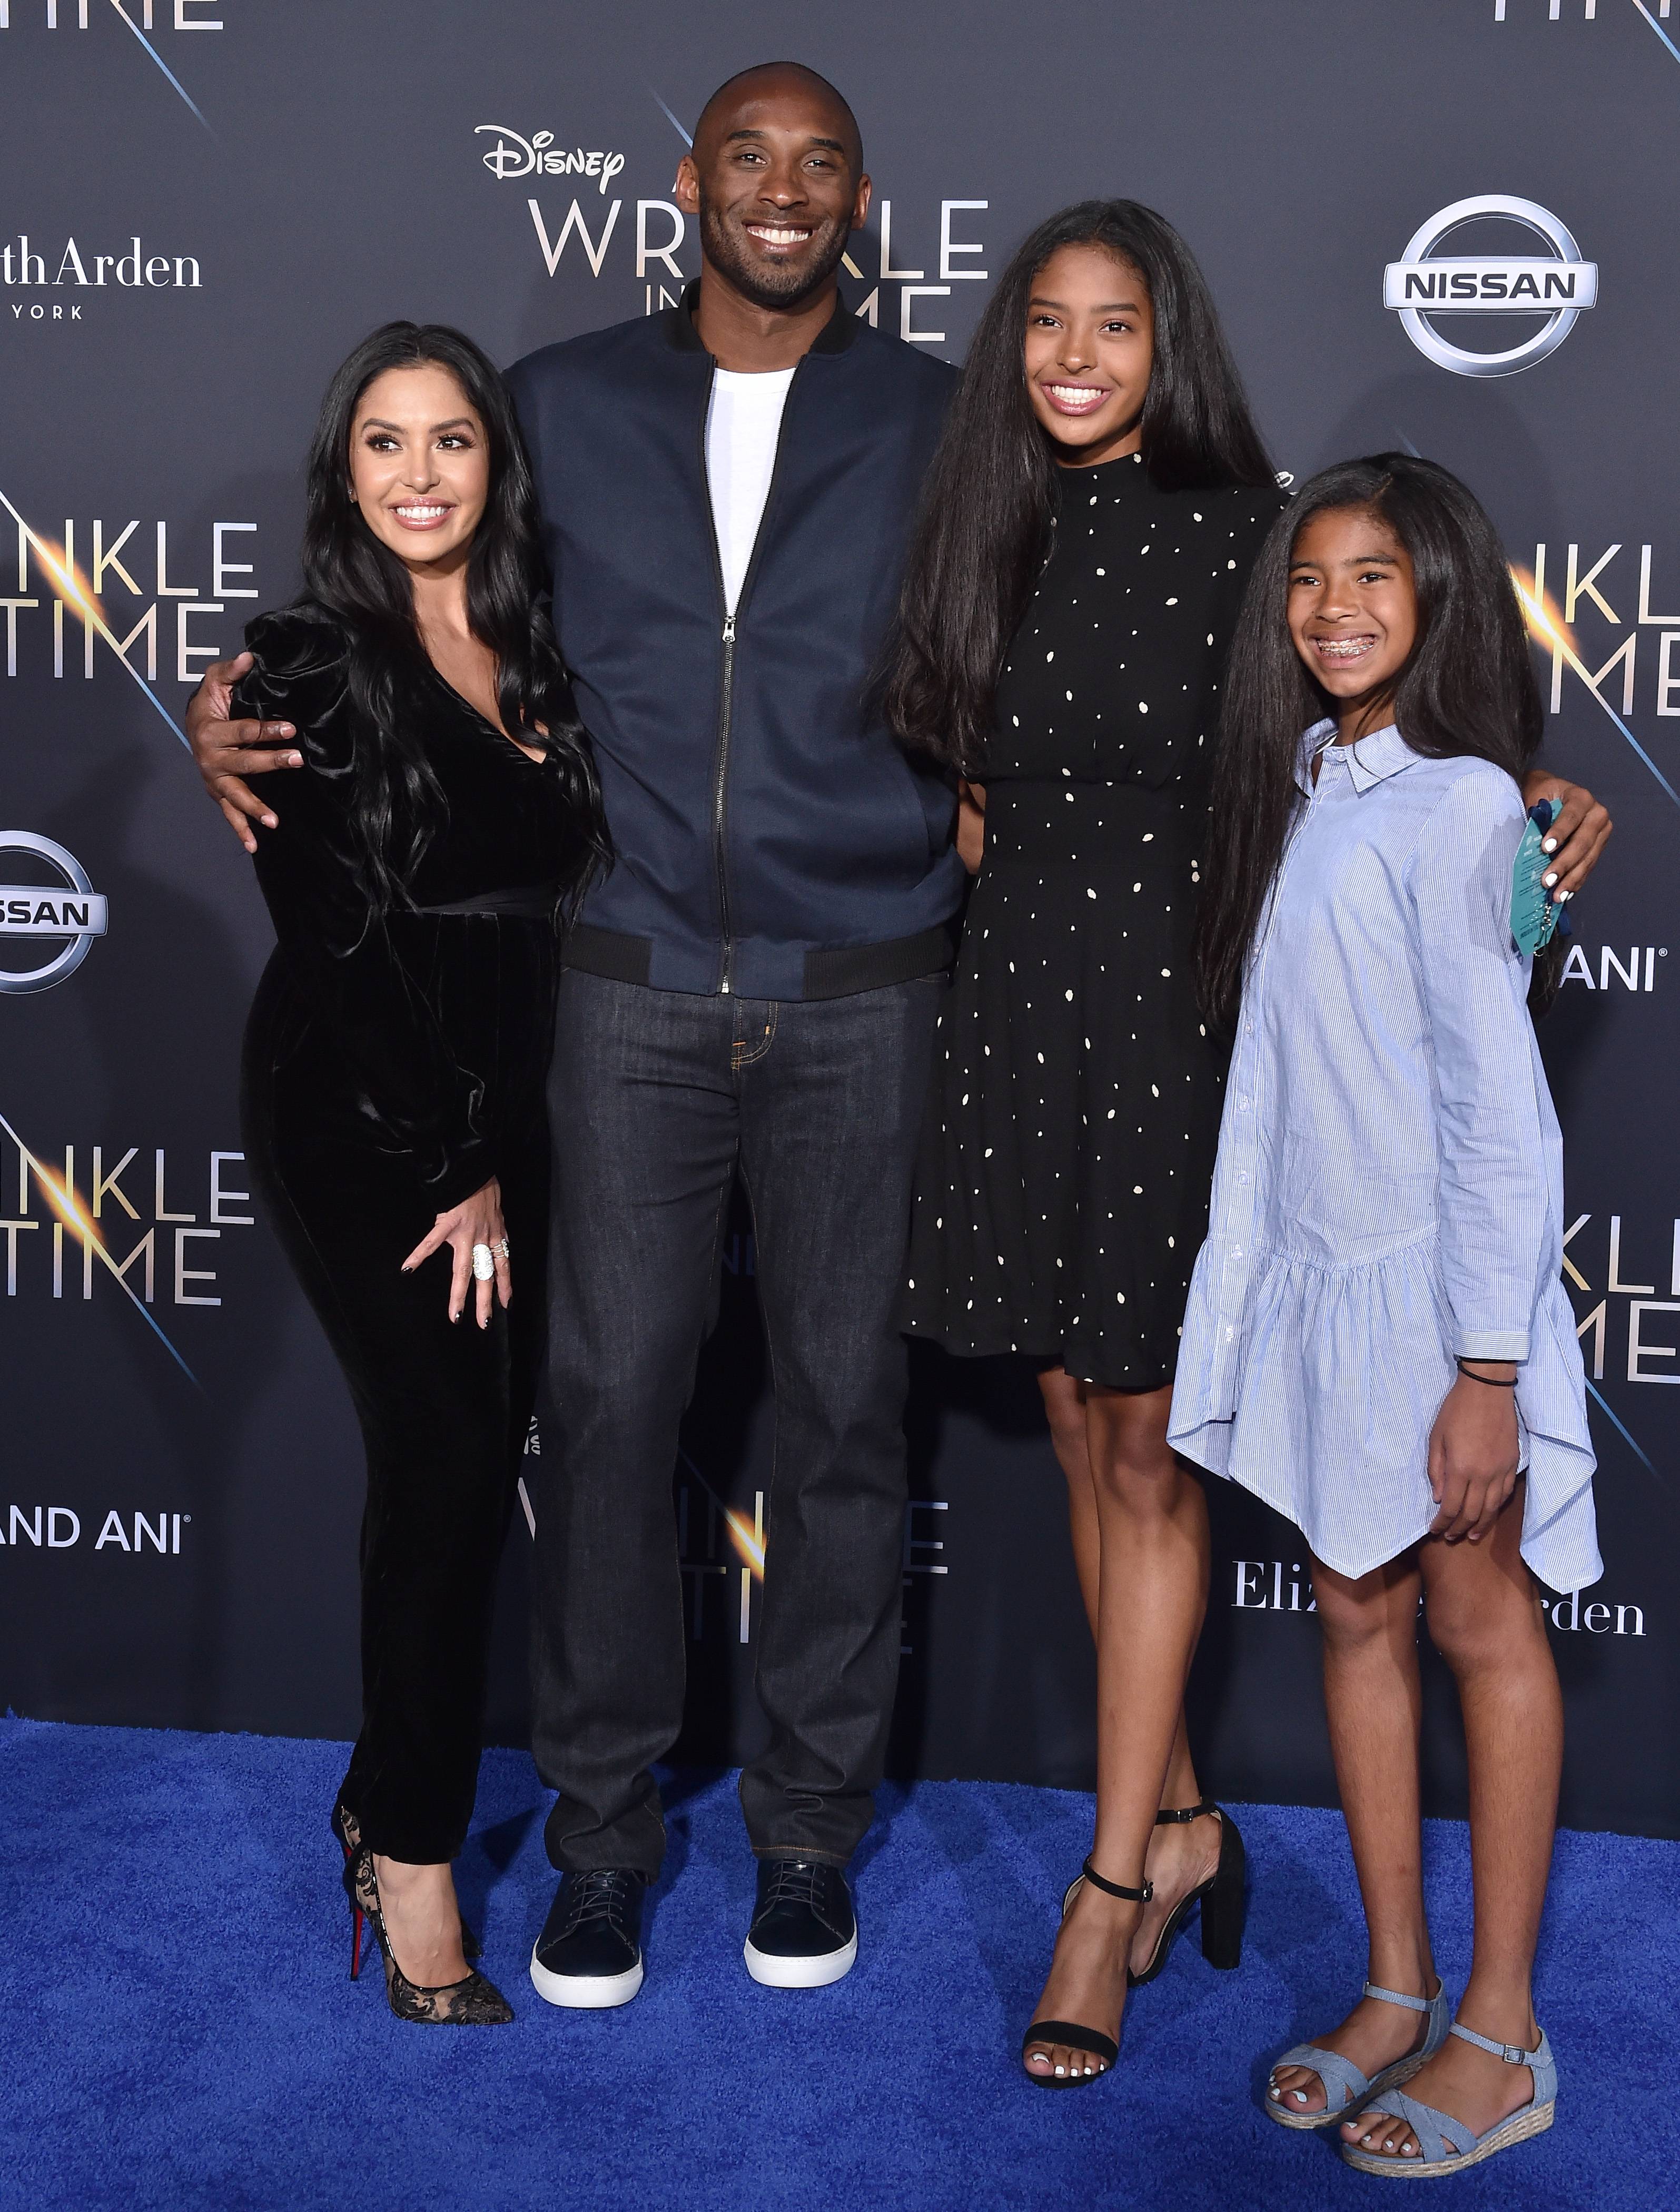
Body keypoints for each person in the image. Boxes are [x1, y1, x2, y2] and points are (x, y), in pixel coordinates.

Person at [187, 64, 961, 2002]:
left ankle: (805, 1831)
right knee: (605, 1421)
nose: (780, 194)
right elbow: (406, 617)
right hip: (618, 997)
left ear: (864, 199)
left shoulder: (946, 423)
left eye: (821, 166)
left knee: (847, 1423)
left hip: (865, 985)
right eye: (747, 159)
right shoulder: (559, 401)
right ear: (688, 183)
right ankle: (603, 1842)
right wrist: (234, 707)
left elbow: (1106, 625)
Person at [885, 204, 1610, 2088]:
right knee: (1069, 1415)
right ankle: (1192, 1818)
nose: (1073, 357)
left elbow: (1401, 722)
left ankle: (1115, 1883)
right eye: (1043, 323)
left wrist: (1534, 810)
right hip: (1019, 1010)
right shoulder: (978, 520)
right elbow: (981, 792)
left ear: (1169, 342)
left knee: (1148, 1439)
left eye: (1114, 326)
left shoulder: (1246, 535)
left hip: (1171, 1026)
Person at [1172, 455, 1598, 2175]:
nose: (1334, 609)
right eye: (1308, 579)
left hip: (1438, 1305)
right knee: (1357, 1616)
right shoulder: (1304, 775)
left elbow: (1504, 1110)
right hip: (1322, 1280)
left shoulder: (1467, 802)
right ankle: (1397, 1985)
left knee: (1479, 1625)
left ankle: (1502, 2029)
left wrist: (1486, 1369)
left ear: (1438, 599)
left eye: (1375, 580)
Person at [234, 322, 606, 2025]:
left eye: (449, 440)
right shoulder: (310, 666)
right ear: (344, 471)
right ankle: (415, 1866)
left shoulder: (534, 650)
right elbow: (343, 932)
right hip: (370, 1120)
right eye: (383, 443)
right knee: (450, 1468)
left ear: (493, 465)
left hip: (510, 1117)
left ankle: (386, 1798)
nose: (418, 476)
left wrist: (508, 1147)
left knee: (460, 1468)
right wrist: (462, 1166)